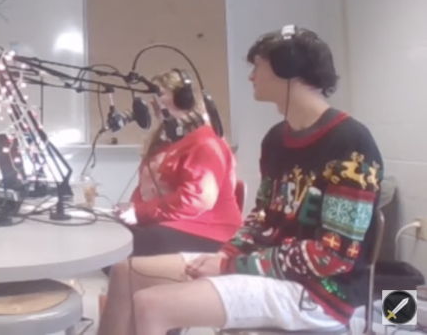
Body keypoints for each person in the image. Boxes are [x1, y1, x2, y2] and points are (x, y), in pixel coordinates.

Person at [97, 26, 384, 335]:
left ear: (288, 70)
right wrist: (226, 254)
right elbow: (261, 218)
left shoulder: (350, 143)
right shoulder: (276, 140)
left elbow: (333, 256)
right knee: (125, 272)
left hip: (319, 294)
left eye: (257, 67)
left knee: (152, 305)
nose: (251, 77)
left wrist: (230, 266)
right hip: (265, 270)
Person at [114, 68, 243, 257]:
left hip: (208, 230)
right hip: (172, 224)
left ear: (183, 99)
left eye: (160, 94)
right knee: (114, 235)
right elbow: (146, 190)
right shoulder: (165, 142)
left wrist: (140, 213)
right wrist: (131, 210)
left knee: (129, 249)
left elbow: (195, 201)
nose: (153, 102)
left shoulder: (206, 143)